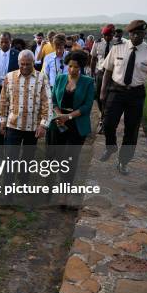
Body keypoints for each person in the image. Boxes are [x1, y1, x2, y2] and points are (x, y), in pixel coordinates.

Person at [99, 20, 147, 174]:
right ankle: (111, 147)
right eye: (133, 33)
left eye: (140, 33)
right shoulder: (118, 48)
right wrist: (103, 91)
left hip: (136, 94)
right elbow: (108, 70)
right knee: (108, 123)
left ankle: (123, 162)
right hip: (116, 90)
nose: (136, 36)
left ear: (144, 34)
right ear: (129, 34)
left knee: (131, 130)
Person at [0, 50, 52, 186]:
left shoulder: (42, 78)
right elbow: (3, 100)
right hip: (13, 125)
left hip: (33, 126)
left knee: (27, 158)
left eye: (28, 64)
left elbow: (47, 102)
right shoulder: (9, 77)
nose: (25, 67)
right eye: (22, 64)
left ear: (33, 63)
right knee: (11, 158)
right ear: (18, 63)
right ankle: (7, 188)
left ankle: (23, 184)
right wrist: (2, 121)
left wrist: (43, 125)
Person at [49, 50, 94, 204]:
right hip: (59, 124)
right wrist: (58, 114)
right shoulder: (60, 79)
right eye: (70, 66)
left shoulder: (88, 82)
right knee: (60, 157)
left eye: (76, 67)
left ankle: (65, 193)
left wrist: (68, 116)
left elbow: (88, 106)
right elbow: (53, 99)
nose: (73, 70)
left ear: (81, 67)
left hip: (76, 125)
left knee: (69, 158)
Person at [90, 24, 116, 134]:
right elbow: (93, 58)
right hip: (100, 73)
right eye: (104, 35)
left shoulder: (118, 44)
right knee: (98, 96)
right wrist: (92, 73)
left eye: (109, 35)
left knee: (110, 97)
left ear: (113, 34)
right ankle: (103, 114)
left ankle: (104, 120)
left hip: (113, 74)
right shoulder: (97, 43)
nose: (107, 37)